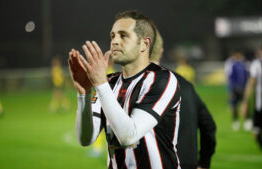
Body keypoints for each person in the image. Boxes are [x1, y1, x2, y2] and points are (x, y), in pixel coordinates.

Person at [68, 10, 181, 169]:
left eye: (123, 35)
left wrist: (100, 84)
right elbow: (85, 138)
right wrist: (84, 94)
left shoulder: (162, 79)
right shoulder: (109, 82)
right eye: (112, 36)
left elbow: (129, 136)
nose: (114, 41)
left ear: (144, 44)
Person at [151, 30, 216, 169]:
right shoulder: (186, 85)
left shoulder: (136, 86)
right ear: (160, 51)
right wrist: (204, 163)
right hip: (188, 163)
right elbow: (209, 126)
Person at [241, 40, 262, 169]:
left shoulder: (256, 63)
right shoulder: (257, 64)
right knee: (259, 135)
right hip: (261, 107)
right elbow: (252, 83)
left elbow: (250, 84)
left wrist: (244, 103)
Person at [224, 51, 250, 131]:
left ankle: (247, 121)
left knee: (245, 104)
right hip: (235, 89)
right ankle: (235, 122)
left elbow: (247, 76)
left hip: (244, 88)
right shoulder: (233, 65)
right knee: (234, 105)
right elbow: (230, 77)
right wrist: (233, 87)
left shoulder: (245, 65)